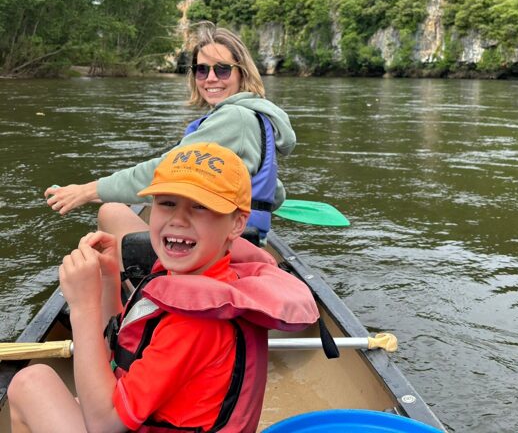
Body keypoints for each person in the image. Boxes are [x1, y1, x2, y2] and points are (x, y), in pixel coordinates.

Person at [8, 142, 319, 433]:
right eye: (167, 203)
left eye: (200, 207)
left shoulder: (195, 322)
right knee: (38, 387)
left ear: (237, 224)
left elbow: (105, 424)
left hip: (115, 422)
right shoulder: (190, 279)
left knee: (31, 383)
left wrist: (82, 307)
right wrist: (108, 280)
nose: (178, 219)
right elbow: (120, 353)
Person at [44, 23, 295, 270]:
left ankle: (132, 298)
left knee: (111, 212)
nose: (210, 78)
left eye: (222, 70)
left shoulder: (234, 119)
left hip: (225, 249)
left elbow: (163, 170)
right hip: (250, 241)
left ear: (242, 73)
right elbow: (276, 194)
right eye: (201, 70)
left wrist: (87, 191)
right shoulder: (258, 118)